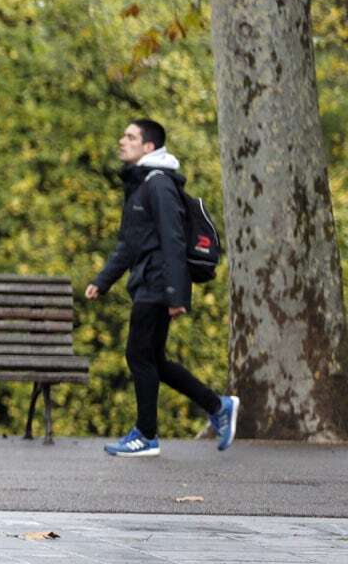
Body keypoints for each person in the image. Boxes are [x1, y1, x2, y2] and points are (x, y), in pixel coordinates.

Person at [86, 118, 239, 457]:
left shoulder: (159, 184)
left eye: (130, 137)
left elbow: (173, 239)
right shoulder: (141, 186)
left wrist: (176, 294)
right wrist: (102, 280)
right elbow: (129, 244)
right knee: (153, 358)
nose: (122, 141)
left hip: (158, 283)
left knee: (138, 354)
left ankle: (146, 434)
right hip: (149, 281)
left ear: (149, 146)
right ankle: (218, 405)